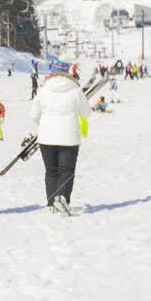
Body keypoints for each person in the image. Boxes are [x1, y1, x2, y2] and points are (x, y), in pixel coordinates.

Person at [30, 70, 88, 215]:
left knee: (51, 171)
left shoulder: (44, 90)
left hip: (46, 137)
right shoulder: (76, 90)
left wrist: (45, 125)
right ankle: (61, 198)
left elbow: (34, 115)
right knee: (66, 170)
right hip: (69, 137)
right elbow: (86, 113)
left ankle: (51, 203)